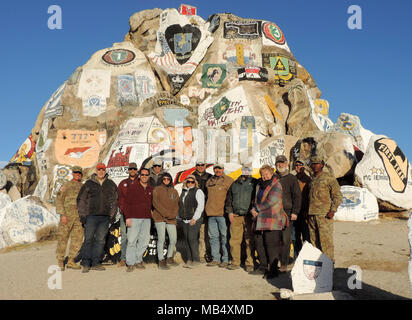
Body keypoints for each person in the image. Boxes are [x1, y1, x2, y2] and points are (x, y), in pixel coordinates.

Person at [77, 163, 118, 273]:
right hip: (91, 217)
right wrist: (83, 216)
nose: (101, 172)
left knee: (100, 241)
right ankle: (86, 263)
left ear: (105, 171)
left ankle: (96, 262)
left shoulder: (110, 184)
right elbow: (81, 201)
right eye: (99, 170)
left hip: (104, 217)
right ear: (96, 170)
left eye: (103, 170)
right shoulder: (89, 184)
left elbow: (114, 201)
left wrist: (112, 216)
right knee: (88, 239)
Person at [249, 164, 288, 279]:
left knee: (271, 245)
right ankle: (263, 267)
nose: (264, 176)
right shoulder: (259, 185)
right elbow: (256, 199)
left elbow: (272, 201)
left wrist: (257, 209)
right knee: (259, 244)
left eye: (266, 174)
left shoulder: (276, 185)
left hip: (272, 219)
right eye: (262, 174)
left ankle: (274, 270)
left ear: (271, 173)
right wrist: (253, 209)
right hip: (259, 219)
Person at [308, 156, 343, 262]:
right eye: (313, 164)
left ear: (322, 165)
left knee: (325, 242)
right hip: (312, 214)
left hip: (324, 215)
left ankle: (329, 265)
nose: (315, 166)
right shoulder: (312, 179)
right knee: (314, 241)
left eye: (317, 163)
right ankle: (318, 267)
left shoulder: (329, 178)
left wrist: (332, 210)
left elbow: (337, 195)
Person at [224, 165, 257, 271]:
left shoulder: (255, 183)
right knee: (234, 240)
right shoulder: (234, 184)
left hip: (249, 216)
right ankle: (235, 262)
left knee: (249, 240)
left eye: (248, 170)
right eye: (244, 170)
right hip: (236, 216)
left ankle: (250, 263)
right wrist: (229, 212)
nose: (246, 172)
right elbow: (229, 199)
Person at [123, 167, 153, 272]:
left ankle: (138, 260)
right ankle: (130, 263)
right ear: (139, 176)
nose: (144, 176)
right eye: (143, 175)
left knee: (144, 241)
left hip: (146, 218)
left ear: (149, 176)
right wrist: (127, 217)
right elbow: (126, 203)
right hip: (134, 218)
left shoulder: (150, 189)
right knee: (132, 241)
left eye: (146, 175)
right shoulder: (133, 187)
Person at [275, 155, 301, 272]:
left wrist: (295, 212)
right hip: (273, 213)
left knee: (286, 239)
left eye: (282, 163)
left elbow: (297, 196)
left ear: (286, 164)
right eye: (278, 163)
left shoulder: (292, 178)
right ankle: (274, 262)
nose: (280, 165)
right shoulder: (273, 177)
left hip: (287, 212)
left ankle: (284, 263)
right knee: (275, 239)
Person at [55, 166, 84, 271]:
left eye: (79, 173)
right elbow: (59, 200)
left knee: (78, 239)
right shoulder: (66, 186)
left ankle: (71, 260)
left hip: (79, 217)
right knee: (63, 238)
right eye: (76, 172)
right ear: (72, 173)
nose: (77, 174)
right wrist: (62, 214)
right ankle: (60, 260)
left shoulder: (83, 186)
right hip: (67, 217)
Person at [205, 164, 233, 268]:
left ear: (223, 169)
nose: (217, 170)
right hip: (211, 214)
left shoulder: (229, 180)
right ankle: (215, 259)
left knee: (225, 237)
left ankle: (225, 259)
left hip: (222, 214)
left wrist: (230, 211)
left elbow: (231, 197)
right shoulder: (209, 181)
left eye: (219, 168)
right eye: (216, 168)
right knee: (213, 237)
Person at [152, 172, 179, 270]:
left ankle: (169, 258)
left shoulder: (174, 191)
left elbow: (176, 205)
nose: (166, 181)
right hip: (160, 218)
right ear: (161, 180)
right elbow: (156, 204)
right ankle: (161, 260)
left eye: (168, 179)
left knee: (173, 239)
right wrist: (166, 213)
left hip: (171, 219)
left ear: (171, 180)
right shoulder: (157, 190)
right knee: (161, 239)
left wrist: (173, 215)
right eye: (164, 179)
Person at [178, 175, 205, 268]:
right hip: (184, 219)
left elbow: (201, 206)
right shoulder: (183, 191)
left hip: (194, 219)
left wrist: (195, 218)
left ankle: (196, 260)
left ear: (195, 182)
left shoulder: (198, 191)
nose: (190, 183)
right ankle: (189, 260)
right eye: (188, 181)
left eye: (192, 182)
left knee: (192, 239)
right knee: (186, 240)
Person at [117, 162, 139, 267]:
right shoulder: (123, 183)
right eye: (131, 169)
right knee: (125, 237)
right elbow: (120, 198)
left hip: (138, 214)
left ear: (137, 170)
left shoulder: (141, 182)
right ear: (128, 170)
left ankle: (135, 258)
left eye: (134, 169)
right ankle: (123, 258)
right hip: (125, 214)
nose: (132, 171)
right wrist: (124, 210)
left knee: (135, 237)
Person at [192, 160, 212, 263]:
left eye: (202, 165)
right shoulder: (191, 176)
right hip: (194, 210)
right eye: (198, 165)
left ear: (205, 166)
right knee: (194, 234)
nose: (200, 167)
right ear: (196, 166)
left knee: (204, 233)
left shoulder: (210, 177)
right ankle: (196, 255)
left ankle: (204, 254)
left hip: (206, 209)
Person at [293, 159, 311, 256]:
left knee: (306, 237)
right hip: (295, 213)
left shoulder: (308, 180)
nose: (297, 167)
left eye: (300, 165)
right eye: (296, 165)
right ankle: (297, 256)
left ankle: (307, 256)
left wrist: (306, 211)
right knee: (295, 237)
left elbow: (309, 198)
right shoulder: (293, 179)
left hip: (305, 213)